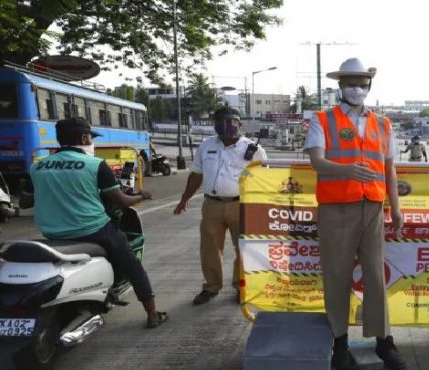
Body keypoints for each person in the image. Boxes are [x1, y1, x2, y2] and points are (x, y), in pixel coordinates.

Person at [305, 57, 406, 370]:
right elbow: (317, 162)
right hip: (336, 208)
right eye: (351, 84)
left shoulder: (383, 123)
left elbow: (389, 169)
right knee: (337, 275)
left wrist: (396, 208)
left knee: (375, 275)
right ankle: (340, 343)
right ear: (340, 85)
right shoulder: (322, 119)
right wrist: (347, 170)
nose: (357, 89)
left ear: (369, 86)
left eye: (362, 84)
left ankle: (383, 341)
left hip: (372, 207)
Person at [19, 117, 167, 329]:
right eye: (90, 138)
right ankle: (152, 314)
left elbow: (24, 203)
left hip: (53, 233)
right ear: (84, 138)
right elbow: (122, 201)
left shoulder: (38, 166)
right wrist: (142, 195)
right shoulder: (95, 165)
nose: (92, 142)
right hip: (93, 230)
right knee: (132, 263)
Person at [173, 107, 267, 305]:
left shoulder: (254, 149)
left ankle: (241, 287)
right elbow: (196, 175)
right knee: (210, 248)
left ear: (240, 123)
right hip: (212, 205)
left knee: (244, 248)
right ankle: (211, 286)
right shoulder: (206, 146)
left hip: (242, 205)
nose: (227, 125)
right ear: (214, 124)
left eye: (232, 121)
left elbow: (265, 179)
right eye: (221, 121)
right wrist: (184, 199)